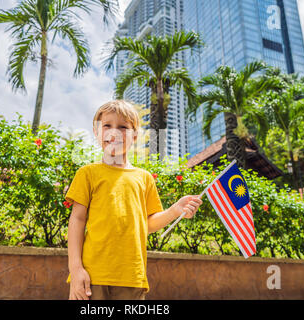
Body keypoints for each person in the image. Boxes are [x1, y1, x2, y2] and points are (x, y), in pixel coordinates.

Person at [65, 100, 203, 300]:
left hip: (132, 278)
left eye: (123, 127)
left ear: (135, 135)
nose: (114, 132)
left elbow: (146, 225)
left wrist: (174, 210)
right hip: (91, 277)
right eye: (107, 126)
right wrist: (76, 269)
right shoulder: (87, 173)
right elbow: (77, 220)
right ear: (97, 132)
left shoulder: (144, 178)